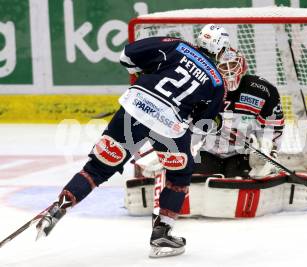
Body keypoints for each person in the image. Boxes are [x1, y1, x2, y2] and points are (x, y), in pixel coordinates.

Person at [34, 24, 229, 258]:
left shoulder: (177, 46)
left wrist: (140, 75)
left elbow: (127, 55)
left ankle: (57, 208)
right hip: (169, 126)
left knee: (97, 168)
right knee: (179, 174)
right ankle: (161, 235)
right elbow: (202, 124)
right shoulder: (217, 81)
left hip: (135, 108)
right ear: (220, 49)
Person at [193, 48, 285, 179]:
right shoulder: (204, 89)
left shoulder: (264, 91)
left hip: (242, 154)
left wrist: (268, 149)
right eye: (224, 66)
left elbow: (274, 127)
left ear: (241, 65)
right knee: (198, 180)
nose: (229, 71)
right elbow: (189, 121)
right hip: (209, 151)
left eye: (232, 65)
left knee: (239, 180)